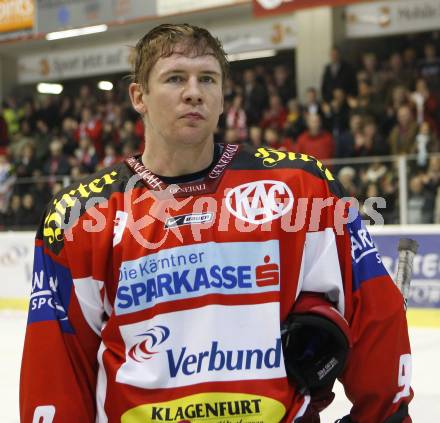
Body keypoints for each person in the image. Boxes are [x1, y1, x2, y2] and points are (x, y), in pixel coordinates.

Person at [20, 24, 413, 423]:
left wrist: (387, 416)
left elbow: (374, 314)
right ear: (138, 96)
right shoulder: (81, 216)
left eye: (207, 78)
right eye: (175, 78)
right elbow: (57, 365)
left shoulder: (300, 187)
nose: (194, 91)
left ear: (223, 96)